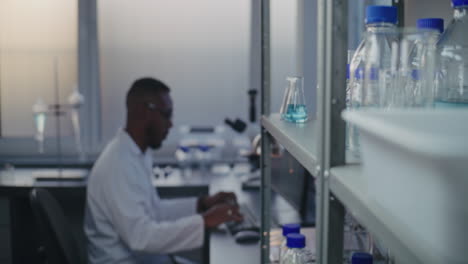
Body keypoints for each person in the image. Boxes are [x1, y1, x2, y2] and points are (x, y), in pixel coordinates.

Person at [84, 77, 243, 264]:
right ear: (144, 111)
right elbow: (140, 238)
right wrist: (204, 221)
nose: (170, 124)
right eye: (166, 114)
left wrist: (202, 204)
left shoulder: (136, 154)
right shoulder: (117, 164)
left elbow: (155, 211)